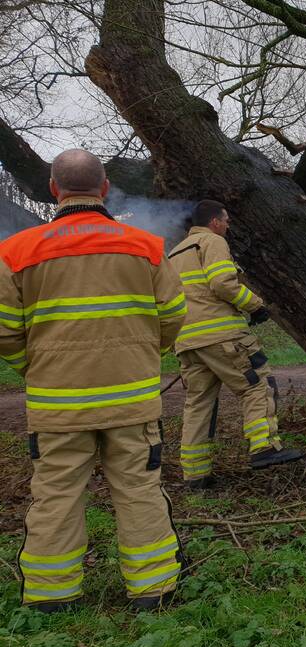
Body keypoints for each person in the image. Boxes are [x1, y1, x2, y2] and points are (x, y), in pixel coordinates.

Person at [0, 149, 187, 611]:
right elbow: (174, 315)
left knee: (56, 495)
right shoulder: (145, 246)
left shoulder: (16, 251)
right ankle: (154, 591)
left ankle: (50, 598)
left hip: (57, 404)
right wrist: (144, 356)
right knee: (140, 490)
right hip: (132, 400)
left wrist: (35, 368)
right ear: (104, 188)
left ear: (53, 189)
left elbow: (4, 331)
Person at [169, 200, 302, 488]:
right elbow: (222, 284)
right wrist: (255, 306)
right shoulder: (212, 242)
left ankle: (195, 475)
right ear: (215, 221)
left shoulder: (173, 254)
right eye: (226, 220)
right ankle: (264, 447)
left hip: (187, 342)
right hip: (222, 336)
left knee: (198, 404)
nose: (228, 225)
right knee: (256, 385)